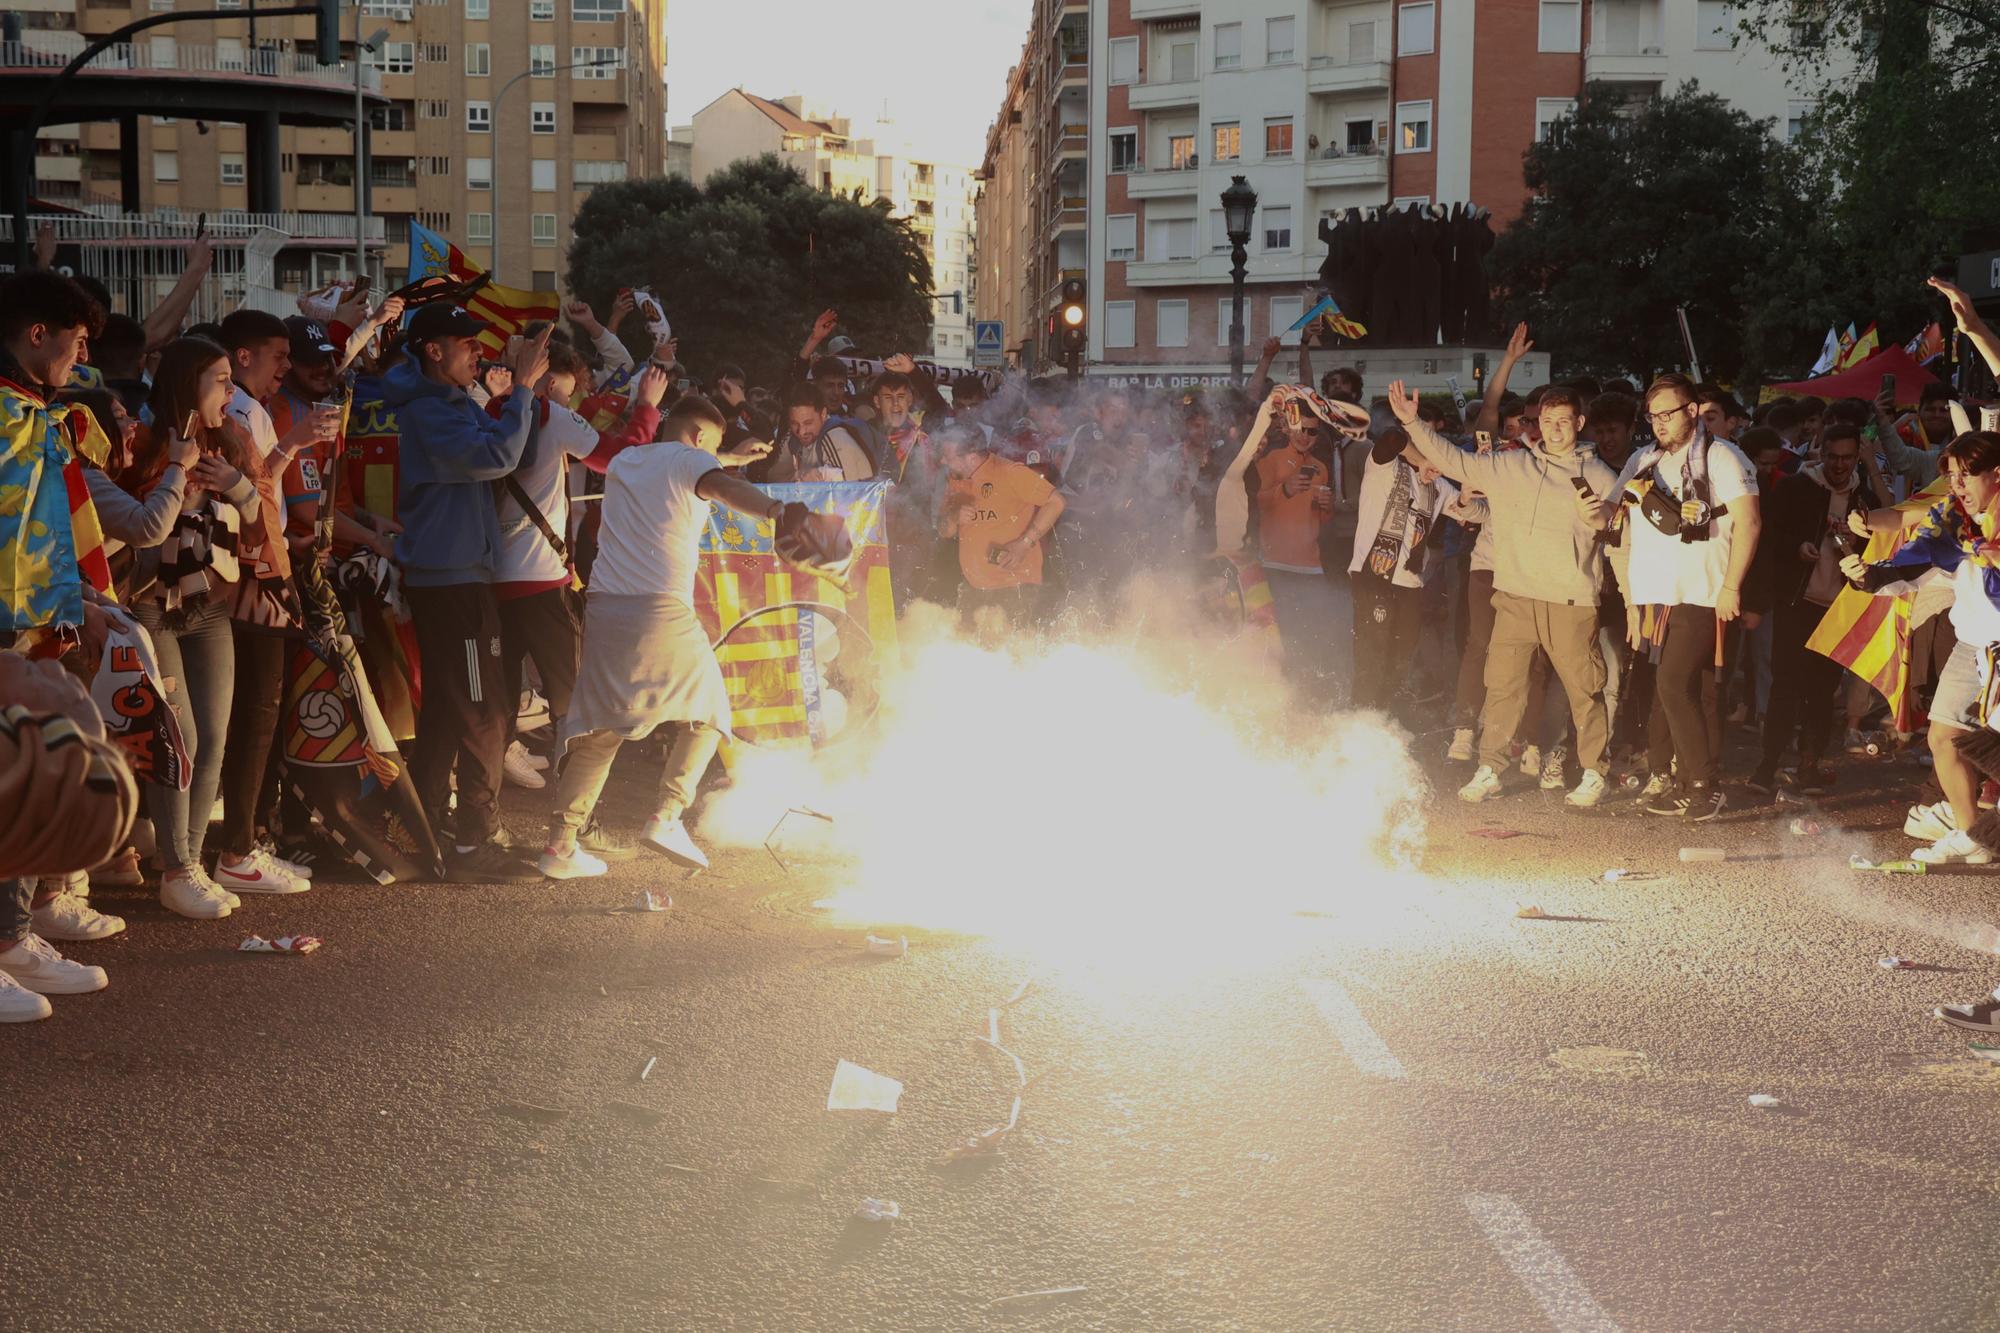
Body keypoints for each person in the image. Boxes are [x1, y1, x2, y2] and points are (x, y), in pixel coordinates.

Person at [540, 396, 803, 879]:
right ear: (700, 439)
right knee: (711, 712)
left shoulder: (627, 460)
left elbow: (687, 467)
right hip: (658, 608)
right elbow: (722, 487)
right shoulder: (691, 461)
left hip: (605, 609)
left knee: (600, 732)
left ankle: (560, 845)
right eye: (713, 446)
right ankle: (666, 815)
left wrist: (726, 456)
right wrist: (778, 510)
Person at [384, 304, 551, 881]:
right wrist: (521, 389)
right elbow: (496, 457)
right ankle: (474, 840)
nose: (479, 352)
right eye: (467, 343)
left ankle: (427, 828)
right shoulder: (430, 409)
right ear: (434, 351)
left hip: (458, 574)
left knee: (449, 710)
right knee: (485, 712)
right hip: (451, 579)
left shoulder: (449, 401)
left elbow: (518, 453)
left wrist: (522, 396)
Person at [1391, 381, 1617, 807]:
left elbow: (1621, 532)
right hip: (1514, 595)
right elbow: (1453, 459)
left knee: (1584, 690)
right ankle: (1490, 768)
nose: (1554, 429)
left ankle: (1593, 772)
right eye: (1547, 420)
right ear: (1537, 423)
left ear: (1579, 423)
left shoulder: (1602, 476)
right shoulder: (1511, 465)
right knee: (1502, 687)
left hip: (1571, 599)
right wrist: (1411, 422)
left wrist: (1605, 521)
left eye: (1563, 421)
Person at [117, 337, 275, 917]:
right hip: (151, 606)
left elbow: (263, 524)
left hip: (210, 606)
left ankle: (191, 862)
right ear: (189, 382)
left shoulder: (232, 438)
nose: (231, 393)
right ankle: (176, 868)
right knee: (176, 736)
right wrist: (176, 484)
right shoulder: (141, 439)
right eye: (221, 380)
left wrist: (236, 485)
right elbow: (120, 529)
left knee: (212, 736)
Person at [1840, 432, 2000, 864]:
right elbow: (1912, 561)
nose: (1957, 485)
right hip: (1973, 644)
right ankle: (1972, 834)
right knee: (1943, 737)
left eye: (1967, 475)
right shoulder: (1952, 516)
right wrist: (1868, 575)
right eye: (1952, 476)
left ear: (1997, 474)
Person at [1613, 372, 1763, 821]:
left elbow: (1750, 522)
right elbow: (1611, 509)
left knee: (1674, 683)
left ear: (1692, 411)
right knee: (1681, 687)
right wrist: (1589, 508)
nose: (1660, 422)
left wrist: (1732, 586)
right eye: (1653, 415)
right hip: (1658, 591)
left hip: (1704, 588)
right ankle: (1683, 782)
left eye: (1668, 413)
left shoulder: (1722, 455)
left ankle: (1704, 784)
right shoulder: (1644, 458)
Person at [1747, 423, 1882, 795]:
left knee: (1823, 691)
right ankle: (1767, 764)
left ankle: (1809, 764)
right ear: (1821, 454)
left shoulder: (1864, 498)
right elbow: (1769, 536)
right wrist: (1798, 547)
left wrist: (1859, 545)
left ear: (1856, 458)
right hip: (1797, 601)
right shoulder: (1796, 487)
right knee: (1785, 685)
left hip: (1839, 607)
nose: (1839, 465)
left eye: (1847, 458)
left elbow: (1881, 549)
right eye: (1833, 457)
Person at [1347, 424, 1455, 713]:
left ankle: (1382, 718)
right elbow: (1391, 437)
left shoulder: (1439, 486)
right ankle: (1360, 720)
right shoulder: (1384, 466)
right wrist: (1420, 459)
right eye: (1420, 442)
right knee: (1372, 654)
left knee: (1400, 656)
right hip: (1373, 575)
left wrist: (1469, 496)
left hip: (1410, 582)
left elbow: (1470, 510)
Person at [940, 423, 1067, 630]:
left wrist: (1024, 543)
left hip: (1014, 587)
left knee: (1007, 648)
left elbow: (1057, 502)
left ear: (971, 457)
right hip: (973, 588)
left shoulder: (1010, 472)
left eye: (948, 457)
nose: (942, 461)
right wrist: (954, 517)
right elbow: (944, 531)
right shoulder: (956, 480)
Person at [768, 383, 875, 481]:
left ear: (823, 414)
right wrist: (799, 475)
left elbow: (848, 490)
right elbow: (774, 479)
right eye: (794, 423)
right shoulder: (792, 439)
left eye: (808, 423)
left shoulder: (835, 437)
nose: (801, 432)